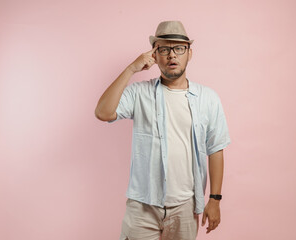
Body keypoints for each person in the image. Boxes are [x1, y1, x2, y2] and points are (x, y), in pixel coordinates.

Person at [95, 20, 231, 240]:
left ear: (189, 53)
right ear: (154, 55)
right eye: (164, 49)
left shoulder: (208, 98)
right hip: (142, 207)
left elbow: (216, 148)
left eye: (179, 48)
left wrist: (214, 199)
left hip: (185, 208)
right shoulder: (139, 93)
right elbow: (103, 112)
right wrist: (131, 68)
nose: (172, 55)